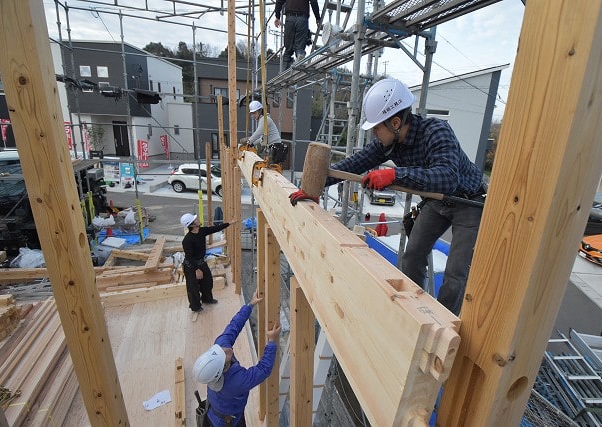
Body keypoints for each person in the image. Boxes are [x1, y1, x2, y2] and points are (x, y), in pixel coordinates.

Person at [289, 78, 485, 316]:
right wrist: (316, 185)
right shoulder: (388, 142)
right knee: (412, 256)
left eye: (376, 128)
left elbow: (447, 177)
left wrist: (394, 175)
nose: (374, 133)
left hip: (468, 201)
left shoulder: (436, 131)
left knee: (456, 273)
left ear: (395, 122)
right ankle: (415, 313)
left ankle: (443, 326)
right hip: (437, 202)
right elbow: (354, 164)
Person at [193, 292, 282, 426]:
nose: (228, 350)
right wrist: (271, 341)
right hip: (227, 422)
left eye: (222, 351)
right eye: (225, 357)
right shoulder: (236, 382)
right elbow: (264, 369)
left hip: (215, 411)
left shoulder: (219, 347)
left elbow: (234, 326)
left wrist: (250, 305)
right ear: (221, 371)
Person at [180, 213, 234, 313]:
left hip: (200, 262)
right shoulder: (187, 240)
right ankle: (195, 307)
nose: (198, 220)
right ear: (192, 225)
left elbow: (214, 229)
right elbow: (189, 257)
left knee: (208, 281)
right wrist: (197, 270)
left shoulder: (201, 231)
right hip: (191, 265)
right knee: (193, 287)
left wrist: (229, 223)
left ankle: (207, 299)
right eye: (195, 220)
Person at [273, 0, 321, 69]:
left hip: (290, 18)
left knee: (288, 46)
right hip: (302, 18)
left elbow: (279, 1)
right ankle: (300, 54)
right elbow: (313, 2)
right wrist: (318, 18)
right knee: (300, 46)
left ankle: (286, 66)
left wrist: (277, 16)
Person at [241, 100, 288, 165]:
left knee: (270, 169)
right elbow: (262, 138)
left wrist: (249, 142)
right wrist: (253, 144)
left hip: (275, 147)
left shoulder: (265, 119)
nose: (253, 115)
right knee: (268, 167)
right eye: (252, 113)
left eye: (254, 113)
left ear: (260, 111)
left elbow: (258, 133)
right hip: (274, 147)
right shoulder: (263, 120)